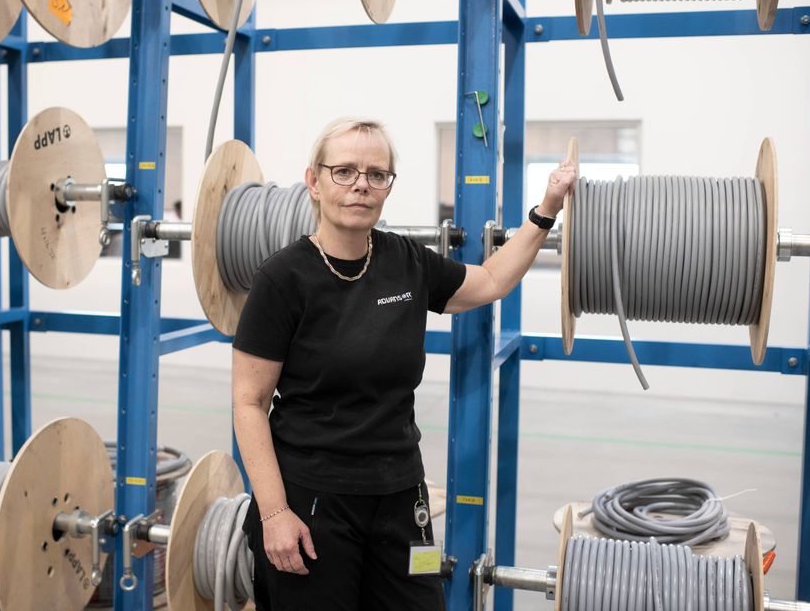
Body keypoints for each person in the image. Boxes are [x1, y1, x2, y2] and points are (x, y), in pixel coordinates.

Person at [232, 118, 576, 610]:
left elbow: (490, 281)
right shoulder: (282, 279)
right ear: (314, 181)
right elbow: (249, 402)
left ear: (388, 186)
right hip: (313, 501)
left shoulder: (407, 261)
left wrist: (547, 209)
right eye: (344, 171)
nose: (361, 185)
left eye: (376, 174)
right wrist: (273, 513)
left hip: (401, 496)